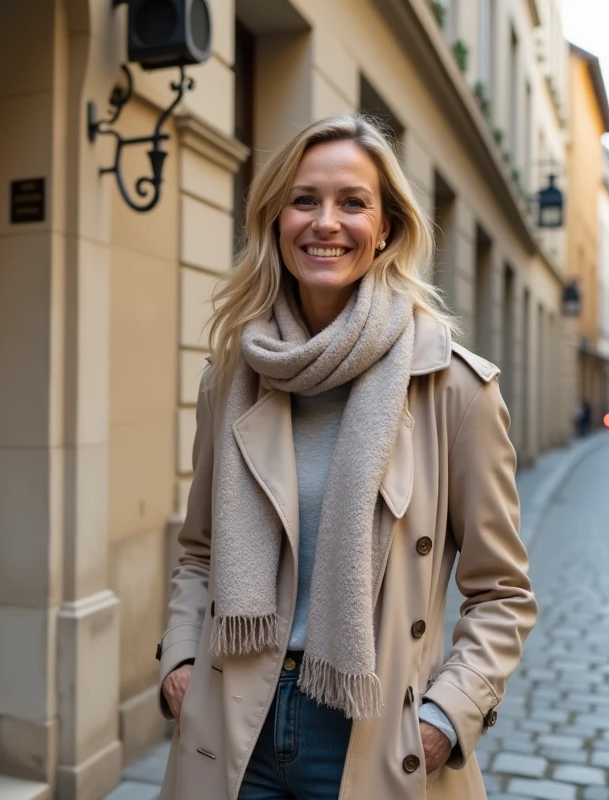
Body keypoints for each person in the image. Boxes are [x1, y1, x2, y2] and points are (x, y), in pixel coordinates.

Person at [155, 113, 537, 799]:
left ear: (386, 225)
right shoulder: (232, 374)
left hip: (370, 734)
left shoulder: (452, 386)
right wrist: (180, 661)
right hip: (232, 718)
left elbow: (501, 592)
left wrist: (445, 718)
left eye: (352, 202)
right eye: (304, 200)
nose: (325, 222)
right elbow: (198, 551)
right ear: (276, 219)